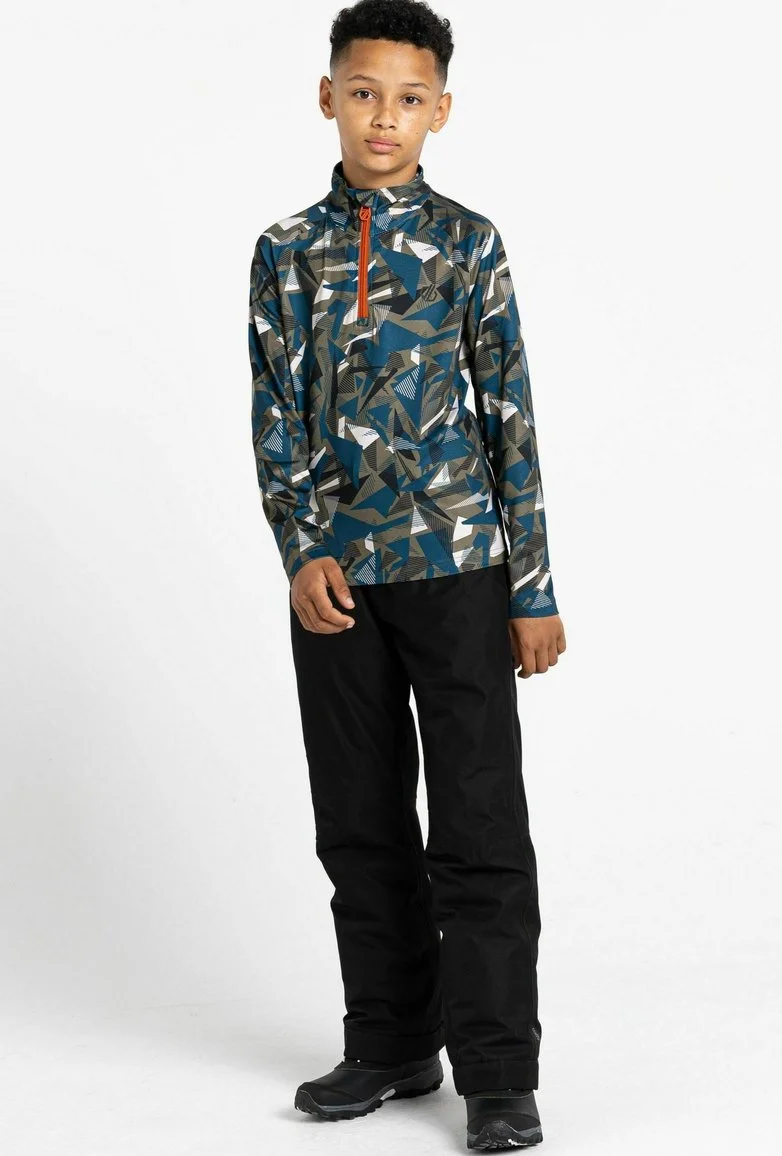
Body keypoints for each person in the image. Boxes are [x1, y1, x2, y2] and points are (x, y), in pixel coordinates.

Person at [247, 1, 566, 1148]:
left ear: (440, 111)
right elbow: (276, 415)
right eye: (364, 92)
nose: (384, 116)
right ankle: (388, 1042)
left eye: (408, 97)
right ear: (326, 97)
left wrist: (530, 586)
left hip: (460, 565)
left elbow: (508, 415)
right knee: (358, 820)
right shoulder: (284, 250)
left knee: (477, 821)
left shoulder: (469, 244)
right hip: (337, 580)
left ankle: (497, 1069)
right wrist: (302, 550)